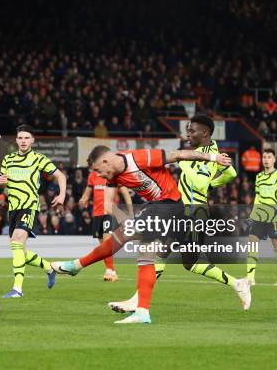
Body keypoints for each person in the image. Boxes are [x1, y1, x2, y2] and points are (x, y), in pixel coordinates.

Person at [52, 144, 250, 324]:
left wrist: (213, 159)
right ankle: (143, 311)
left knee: (132, 242)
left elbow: (179, 154)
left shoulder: (139, 158)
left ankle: (76, 266)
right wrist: (126, 221)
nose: (98, 175)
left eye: (97, 170)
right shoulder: (111, 175)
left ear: (105, 161)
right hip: (159, 207)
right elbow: (108, 204)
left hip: (169, 204)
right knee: (158, 256)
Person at [108, 114, 243, 314]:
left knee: (171, 256)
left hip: (195, 213)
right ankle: (238, 284)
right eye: (187, 130)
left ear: (205, 133)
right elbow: (231, 173)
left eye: (192, 130)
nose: (188, 134)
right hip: (184, 211)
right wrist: (214, 183)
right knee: (176, 258)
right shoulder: (205, 153)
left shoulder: (209, 153)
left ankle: (138, 301)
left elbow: (199, 182)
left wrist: (182, 162)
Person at [0, 124, 67, 298]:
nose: (23, 141)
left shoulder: (39, 159)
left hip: (29, 206)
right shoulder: (7, 160)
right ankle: (49, 268)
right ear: (16, 140)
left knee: (15, 242)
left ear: (32, 141)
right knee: (20, 251)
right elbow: (3, 183)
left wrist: (62, 195)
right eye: (20, 138)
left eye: (26, 138)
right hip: (13, 209)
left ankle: (17, 289)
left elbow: (61, 176)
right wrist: (1, 183)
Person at [246, 149, 277, 286]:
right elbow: (258, 198)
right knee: (252, 242)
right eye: (264, 157)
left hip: (275, 216)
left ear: (274, 159)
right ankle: (250, 278)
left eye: (269, 157)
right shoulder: (259, 177)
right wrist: (252, 214)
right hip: (260, 216)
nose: (266, 159)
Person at [79, 171, 132, 282]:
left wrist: (130, 212)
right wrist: (83, 199)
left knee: (107, 242)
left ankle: (109, 271)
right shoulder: (93, 175)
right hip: (97, 214)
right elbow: (87, 193)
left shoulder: (113, 174)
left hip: (110, 212)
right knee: (103, 246)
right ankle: (111, 271)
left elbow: (125, 193)